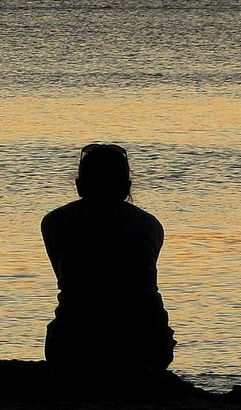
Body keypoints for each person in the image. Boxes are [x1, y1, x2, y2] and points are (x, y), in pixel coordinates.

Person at [41, 143, 176, 371]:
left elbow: (69, 278)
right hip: (148, 345)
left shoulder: (54, 222)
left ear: (79, 185)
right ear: (127, 187)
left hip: (74, 345)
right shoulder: (151, 225)